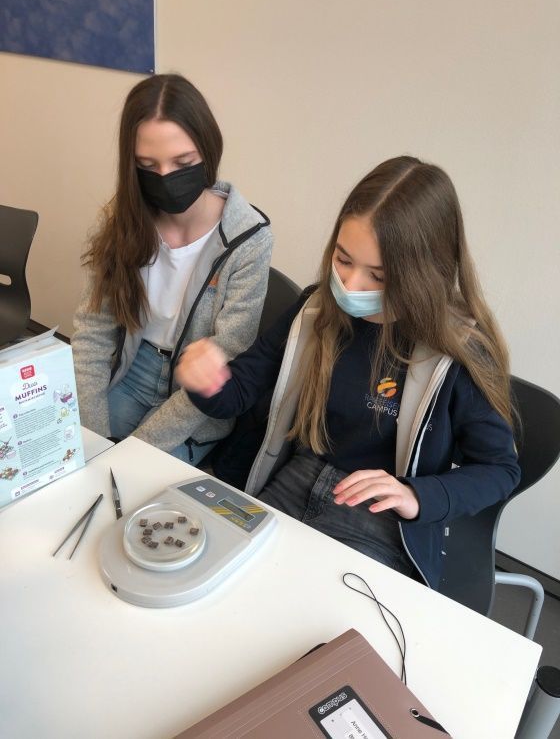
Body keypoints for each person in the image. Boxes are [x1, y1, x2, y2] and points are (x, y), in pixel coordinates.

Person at [175, 156, 520, 588]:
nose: (351, 286)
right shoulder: (314, 311)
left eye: (378, 276)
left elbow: (500, 469)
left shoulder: (458, 353)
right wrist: (206, 380)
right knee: (222, 580)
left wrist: (416, 495)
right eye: (343, 259)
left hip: (381, 517)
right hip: (295, 479)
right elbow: (239, 391)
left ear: (425, 276)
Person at [72, 73, 273, 464]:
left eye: (183, 162)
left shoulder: (249, 239)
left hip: (192, 399)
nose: (166, 178)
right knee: (76, 464)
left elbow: (226, 356)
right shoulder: (121, 220)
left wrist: (131, 453)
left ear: (208, 150)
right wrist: (90, 438)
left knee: (134, 480)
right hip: (131, 370)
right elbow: (93, 333)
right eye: (148, 165)